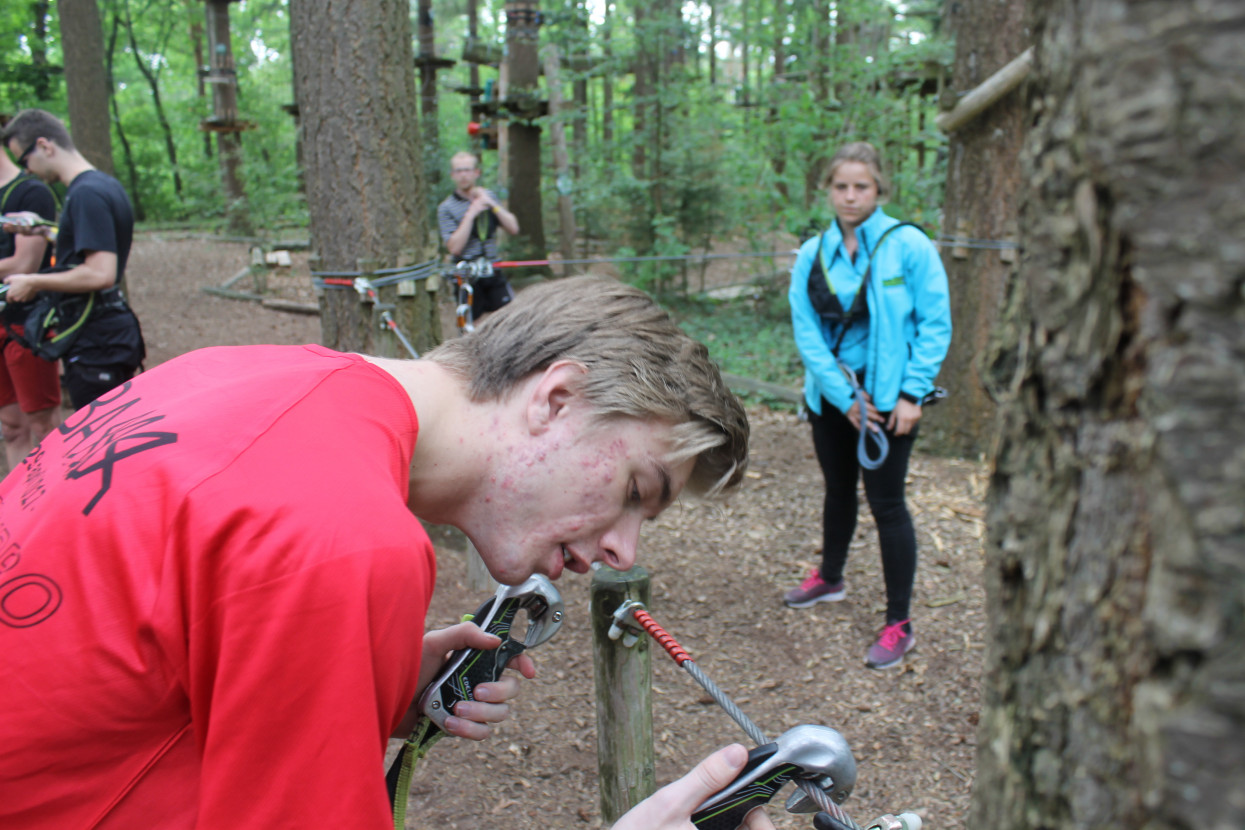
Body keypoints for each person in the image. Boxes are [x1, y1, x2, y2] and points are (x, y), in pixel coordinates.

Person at [0, 275, 766, 829]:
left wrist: (347, 684)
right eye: (636, 490)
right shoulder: (342, 540)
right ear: (555, 397)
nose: (620, 549)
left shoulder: (239, 375)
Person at [782, 142, 952, 670]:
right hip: (833, 399)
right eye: (841, 187)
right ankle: (830, 577)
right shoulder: (813, 253)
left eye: (861, 186)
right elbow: (806, 331)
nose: (850, 196)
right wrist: (841, 398)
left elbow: (934, 324)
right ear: (828, 190)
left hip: (889, 404)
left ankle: (898, 622)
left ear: (879, 189)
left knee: (888, 506)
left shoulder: (909, 248)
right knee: (838, 490)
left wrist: (911, 393)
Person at [0, 108, 144, 411]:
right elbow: (93, 246)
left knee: (100, 445)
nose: (26, 171)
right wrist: (42, 229)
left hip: (97, 340)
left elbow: (100, 272)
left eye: (25, 160)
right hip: (106, 334)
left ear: (45, 146)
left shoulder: (85, 195)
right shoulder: (102, 185)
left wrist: (34, 281)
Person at [0, 124, 59, 468]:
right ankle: (14, 514)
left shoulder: (30, 192)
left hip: (26, 326)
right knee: (10, 427)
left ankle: (63, 508)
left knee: (43, 425)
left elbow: (25, 262)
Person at [437, 150, 521, 318]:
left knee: (509, 320)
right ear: (452, 175)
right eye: (459, 171)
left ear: (476, 173)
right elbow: (454, 247)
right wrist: (472, 212)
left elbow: (513, 228)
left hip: (493, 270)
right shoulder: (446, 208)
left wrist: (491, 204)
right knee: (470, 326)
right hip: (467, 275)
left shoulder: (488, 196)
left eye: (467, 170)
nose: (463, 175)